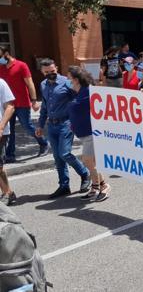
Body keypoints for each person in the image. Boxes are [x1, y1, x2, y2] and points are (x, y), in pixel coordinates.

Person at [36, 59, 91, 199]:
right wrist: (40, 125)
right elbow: (44, 107)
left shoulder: (67, 82)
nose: (50, 74)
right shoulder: (43, 85)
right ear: (42, 72)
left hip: (66, 123)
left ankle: (85, 174)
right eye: (46, 72)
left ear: (57, 68)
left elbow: (79, 98)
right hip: (51, 125)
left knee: (64, 153)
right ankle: (64, 186)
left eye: (52, 71)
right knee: (57, 157)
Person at [67, 66, 111, 202]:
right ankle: (99, 186)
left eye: (69, 78)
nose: (68, 80)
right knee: (94, 162)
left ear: (76, 79)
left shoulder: (89, 92)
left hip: (92, 133)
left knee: (87, 161)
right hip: (83, 133)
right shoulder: (77, 91)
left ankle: (100, 186)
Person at [0, 47, 48, 162]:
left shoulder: (21, 65)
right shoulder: (1, 67)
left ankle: (43, 143)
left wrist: (34, 100)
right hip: (7, 105)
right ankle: (10, 155)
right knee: (9, 129)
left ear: (6, 54)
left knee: (27, 126)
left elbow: (30, 83)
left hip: (22, 103)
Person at [0, 78, 16, 205]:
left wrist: (1, 127)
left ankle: (6, 194)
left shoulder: (1, 83)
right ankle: (9, 192)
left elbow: (10, 107)